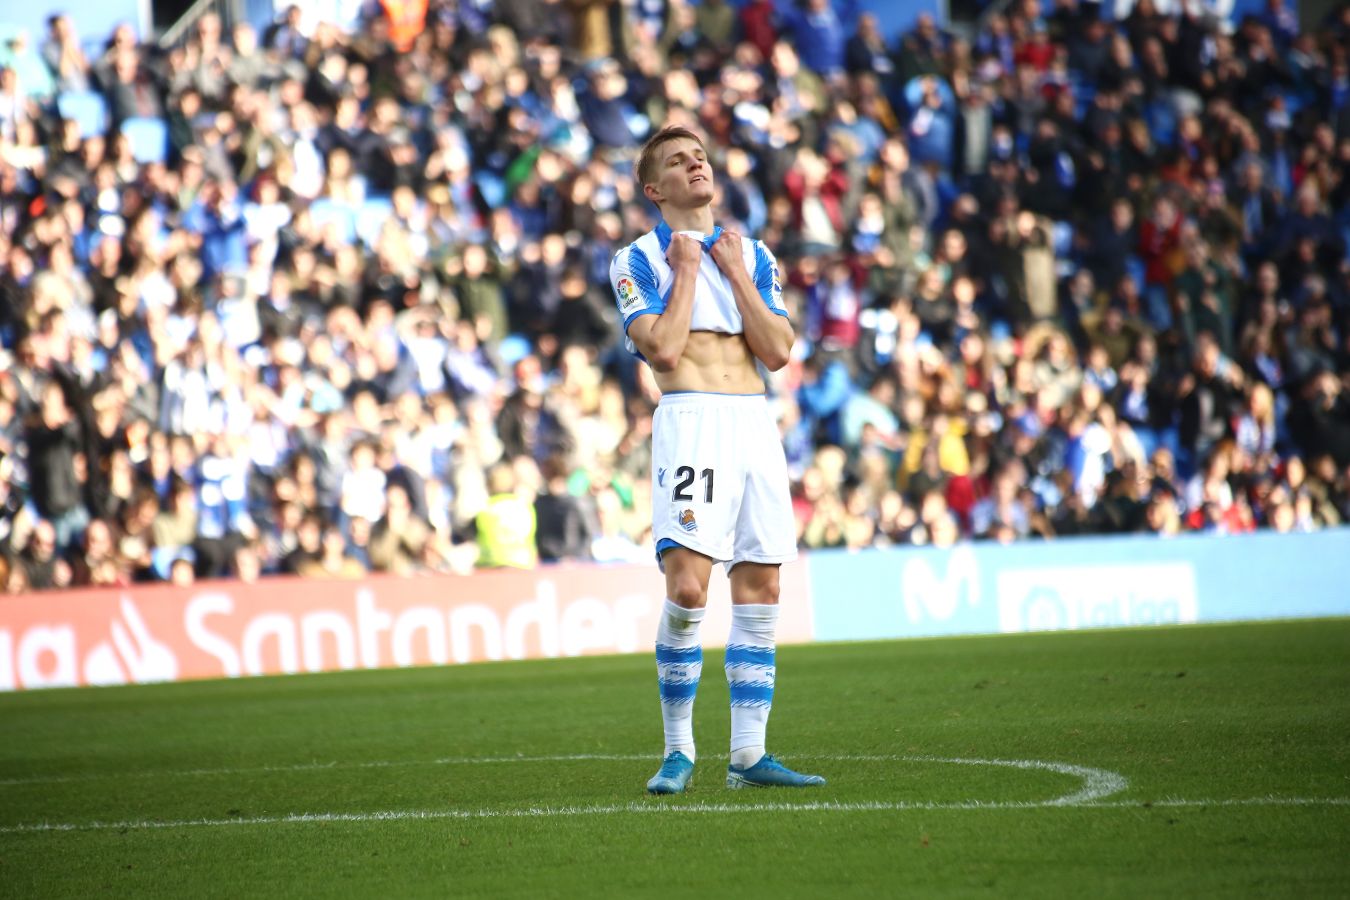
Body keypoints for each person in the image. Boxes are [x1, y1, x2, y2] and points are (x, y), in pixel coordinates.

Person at [609, 126, 825, 794]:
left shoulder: (753, 254)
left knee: (761, 587)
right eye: (677, 161)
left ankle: (748, 755)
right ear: (655, 189)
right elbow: (665, 350)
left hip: (754, 421)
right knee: (689, 588)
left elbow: (778, 348)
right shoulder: (637, 258)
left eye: (698, 155)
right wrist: (691, 271)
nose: (694, 164)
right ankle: (679, 750)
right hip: (692, 420)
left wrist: (732, 270)